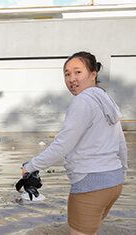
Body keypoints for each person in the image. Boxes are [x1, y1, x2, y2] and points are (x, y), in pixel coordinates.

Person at [22, 51, 128, 235]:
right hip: (114, 183)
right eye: (67, 74)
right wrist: (121, 173)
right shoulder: (105, 99)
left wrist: (31, 166)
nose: (72, 79)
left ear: (93, 74)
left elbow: (63, 143)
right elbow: (120, 141)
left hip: (91, 183)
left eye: (78, 72)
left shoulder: (83, 100)